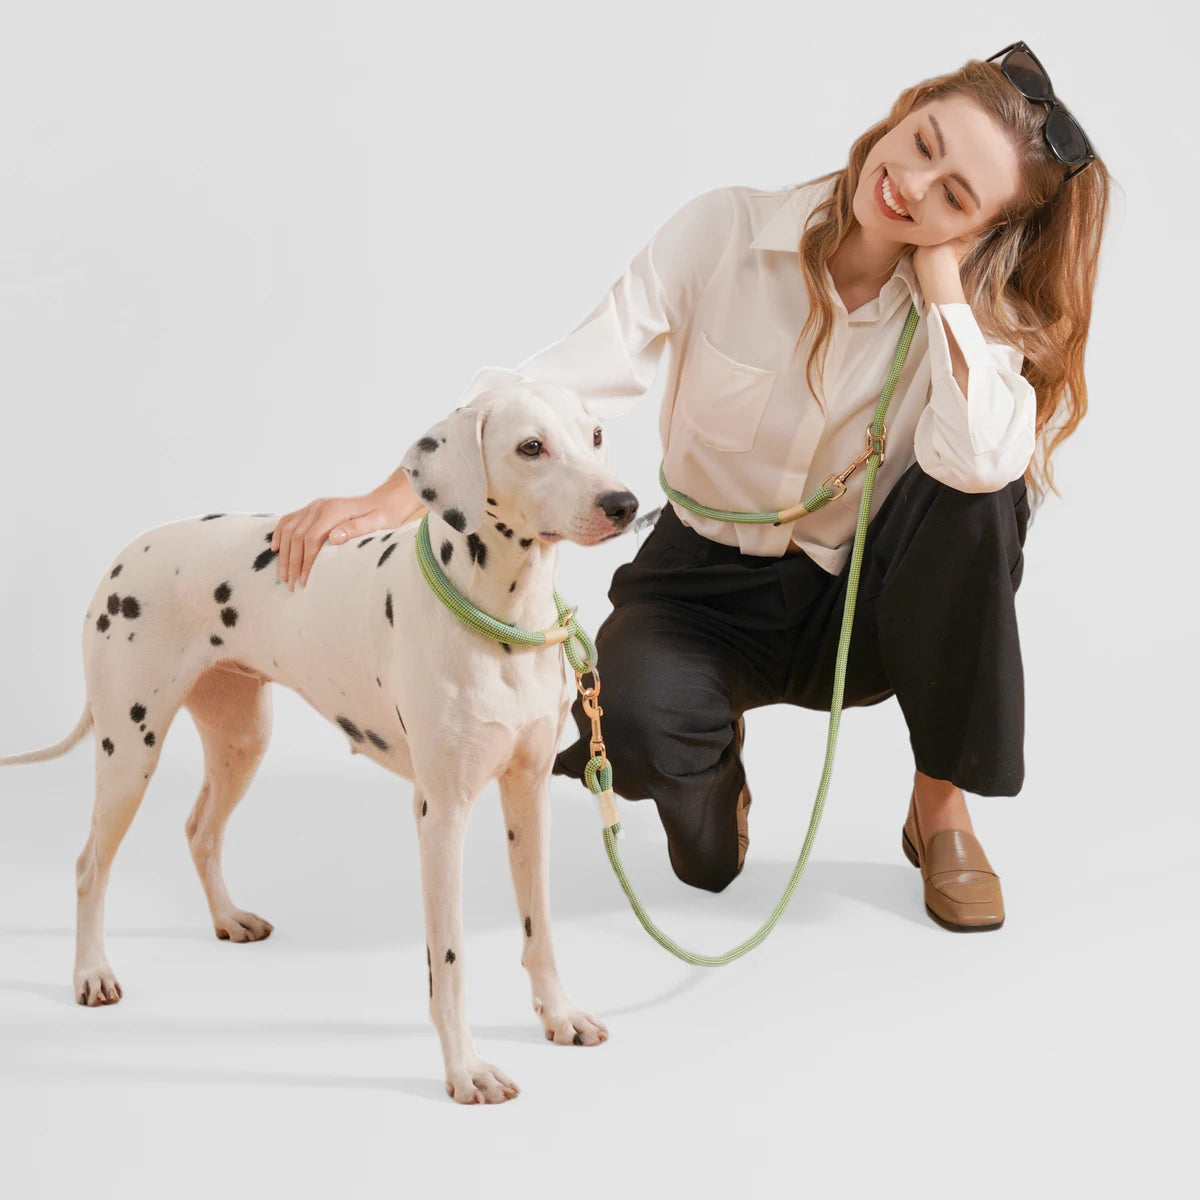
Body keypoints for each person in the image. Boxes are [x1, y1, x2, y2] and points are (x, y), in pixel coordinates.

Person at [271, 44, 1109, 931]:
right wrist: (397, 494)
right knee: (665, 793)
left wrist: (942, 282)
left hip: (862, 601)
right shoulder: (727, 232)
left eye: (956, 197)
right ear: (907, 107)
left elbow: (978, 464)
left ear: (983, 230)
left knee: (988, 495)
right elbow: (569, 379)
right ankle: (714, 775)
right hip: (705, 581)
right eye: (924, 142)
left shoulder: (973, 326)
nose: (913, 182)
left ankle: (939, 806)